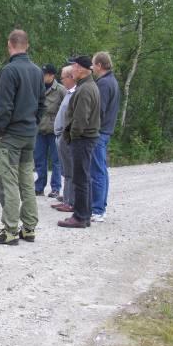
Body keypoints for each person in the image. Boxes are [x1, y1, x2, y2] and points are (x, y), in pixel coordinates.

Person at [0, 30, 45, 245]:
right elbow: (41, 105)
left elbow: (4, 107)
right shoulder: (38, 72)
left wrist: (0, 131)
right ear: (26, 45)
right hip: (29, 134)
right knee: (27, 181)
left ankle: (9, 230)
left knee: (9, 182)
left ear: (9, 44)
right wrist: (33, 124)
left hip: (11, 136)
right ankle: (28, 228)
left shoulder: (10, 71)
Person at [58, 55, 100, 228]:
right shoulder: (89, 86)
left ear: (82, 69)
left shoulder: (85, 89)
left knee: (80, 178)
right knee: (84, 177)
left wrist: (72, 137)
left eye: (75, 66)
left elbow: (81, 118)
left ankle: (80, 217)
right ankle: (85, 215)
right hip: (86, 138)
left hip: (82, 139)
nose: (72, 69)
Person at [90, 51, 120, 222]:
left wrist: (89, 128)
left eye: (94, 64)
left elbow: (98, 110)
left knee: (97, 171)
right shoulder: (112, 81)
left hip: (99, 132)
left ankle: (98, 209)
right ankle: (101, 206)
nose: (92, 67)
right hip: (106, 131)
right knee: (101, 169)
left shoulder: (103, 84)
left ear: (100, 65)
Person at [34, 64, 66, 197]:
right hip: (40, 129)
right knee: (39, 159)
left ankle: (55, 188)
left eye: (45, 74)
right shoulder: (37, 87)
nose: (42, 76)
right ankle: (39, 187)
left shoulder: (60, 90)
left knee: (56, 160)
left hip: (55, 131)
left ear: (51, 75)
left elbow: (67, 108)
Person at [51, 65, 76, 213]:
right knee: (65, 170)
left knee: (69, 170)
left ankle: (70, 202)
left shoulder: (75, 94)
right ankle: (66, 199)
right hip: (60, 135)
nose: (61, 80)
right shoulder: (68, 93)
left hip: (66, 136)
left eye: (63, 78)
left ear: (70, 77)